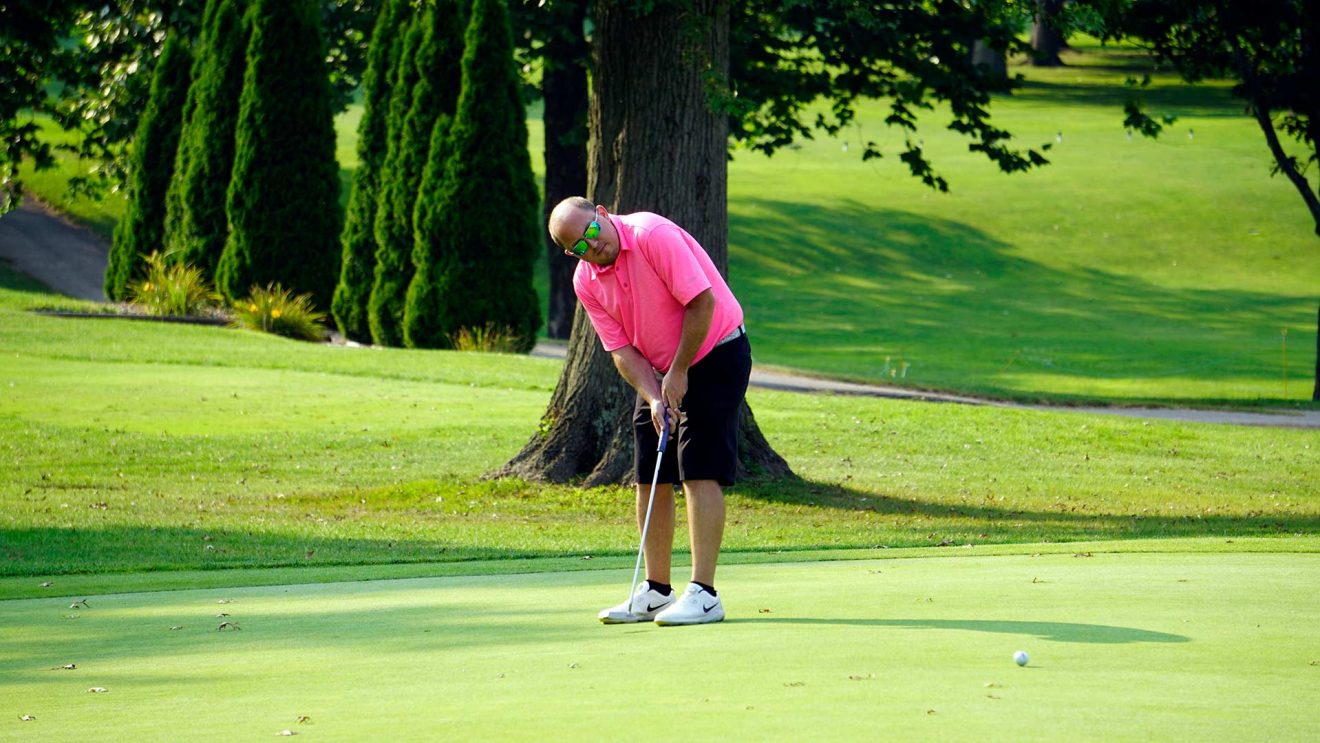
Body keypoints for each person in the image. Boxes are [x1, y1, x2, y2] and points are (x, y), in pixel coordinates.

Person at [548, 196, 751, 626]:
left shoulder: (651, 235)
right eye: (579, 247)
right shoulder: (586, 280)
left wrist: (678, 372)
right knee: (649, 471)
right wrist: (656, 394)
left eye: (591, 233)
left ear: (601, 214)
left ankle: (705, 594)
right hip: (658, 369)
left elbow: (702, 302)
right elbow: (620, 348)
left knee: (698, 466)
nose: (592, 246)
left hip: (717, 350)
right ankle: (657, 590)